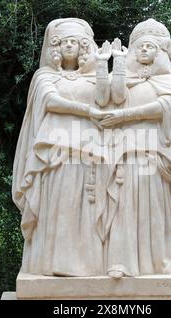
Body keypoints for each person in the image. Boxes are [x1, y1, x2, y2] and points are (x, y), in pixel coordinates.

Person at [97, 19, 171, 278]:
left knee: (156, 205)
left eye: (150, 46)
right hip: (123, 150)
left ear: (161, 52)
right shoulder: (121, 76)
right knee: (123, 202)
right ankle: (120, 260)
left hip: (155, 151)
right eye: (140, 46)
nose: (144, 50)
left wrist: (125, 117)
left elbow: (164, 109)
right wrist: (117, 63)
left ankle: (163, 260)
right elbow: (110, 99)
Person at [12, 18, 108, 276]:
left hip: (87, 148)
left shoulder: (91, 78)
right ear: (55, 47)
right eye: (64, 42)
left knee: (85, 203)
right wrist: (85, 110)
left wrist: (103, 65)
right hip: (54, 150)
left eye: (74, 42)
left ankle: (86, 266)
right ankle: (51, 263)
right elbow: (51, 102)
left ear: (82, 48)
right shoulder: (44, 76)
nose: (69, 46)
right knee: (59, 202)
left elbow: (104, 100)